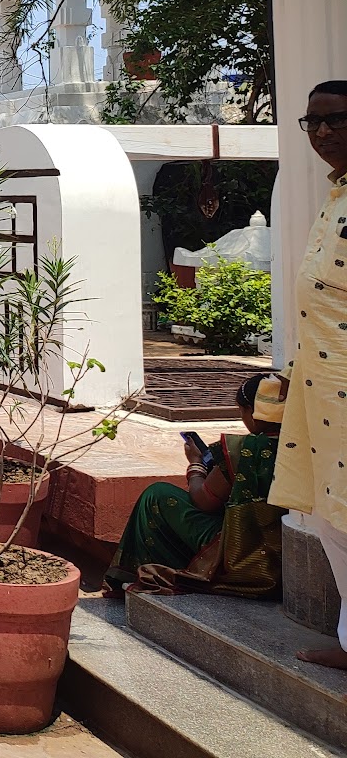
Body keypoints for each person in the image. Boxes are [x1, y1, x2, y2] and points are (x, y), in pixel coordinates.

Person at [270, 79, 347, 668]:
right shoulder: (335, 196)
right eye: (312, 123)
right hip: (320, 386)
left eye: (336, 120)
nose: (322, 133)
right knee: (329, 510)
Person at [106, 374, 283, 595]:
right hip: (283, 545)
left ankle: (136, 574)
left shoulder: (243, 450)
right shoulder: (302, 445)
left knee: (157, 495)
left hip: (241, 548)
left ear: (253, 413)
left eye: (242, 411)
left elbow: (203, 500)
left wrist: (196, 465)